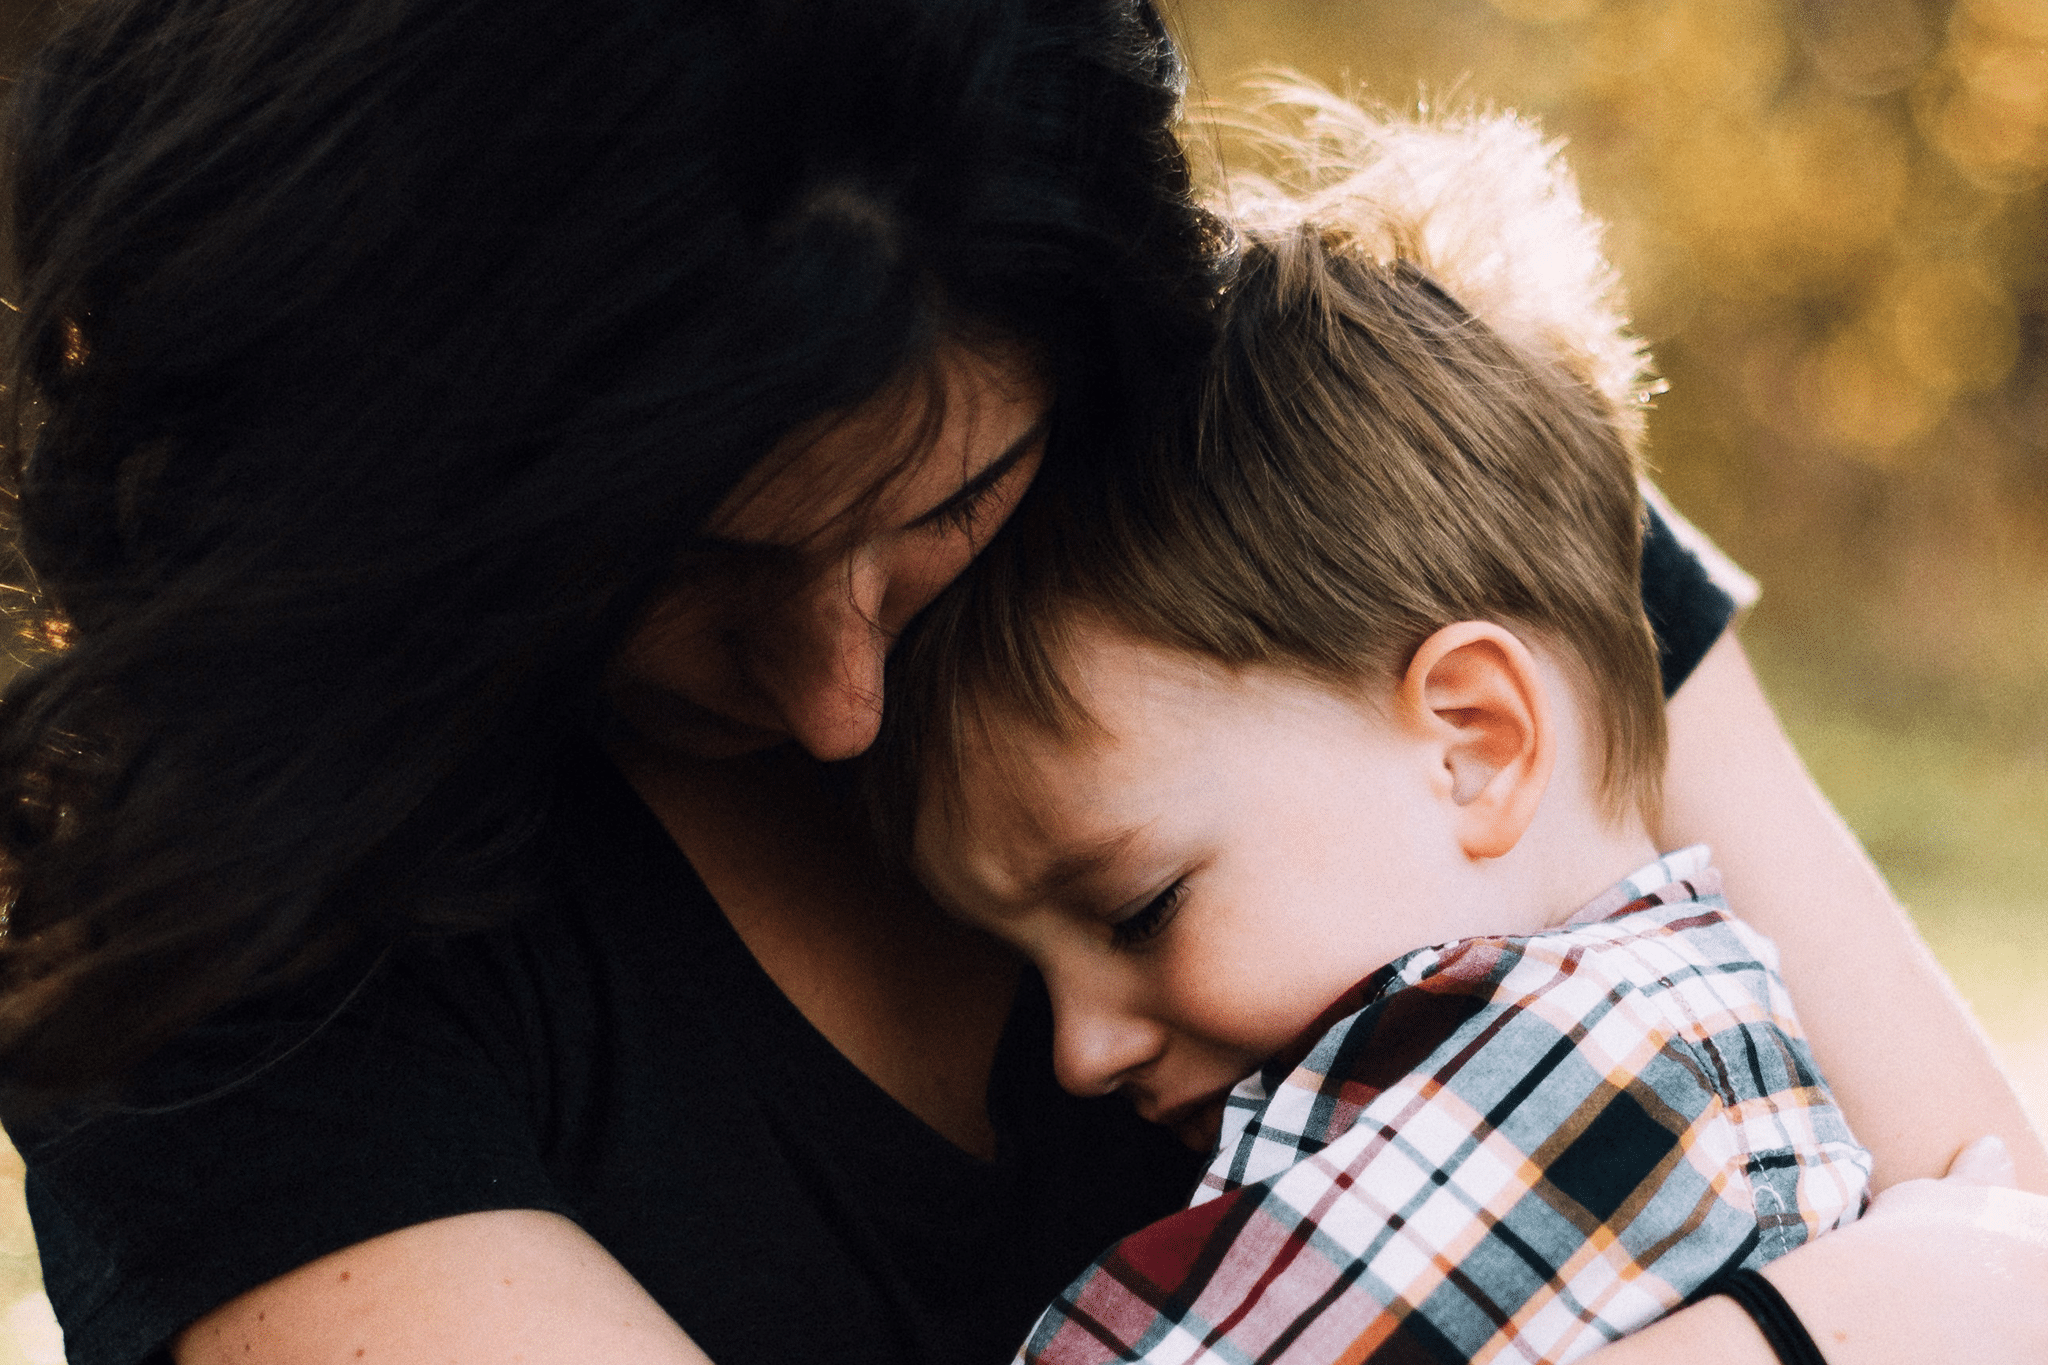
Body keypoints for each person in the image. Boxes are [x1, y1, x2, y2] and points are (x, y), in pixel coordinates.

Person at [0, 3, 2037, 1365]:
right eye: (678, 570)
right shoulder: (223, 946)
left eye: (950, 499)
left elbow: (2005, 1240)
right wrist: (1812, 1328)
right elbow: (1957, 1291)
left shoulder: (1330, 504)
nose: (836, 699)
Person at [880, 104, 1872, 1363]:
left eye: (1139, 909)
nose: (1076, 1050)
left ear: (1472, 744)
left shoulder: (1582, 1082)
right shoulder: (1662, 1043)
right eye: (1030, 966)